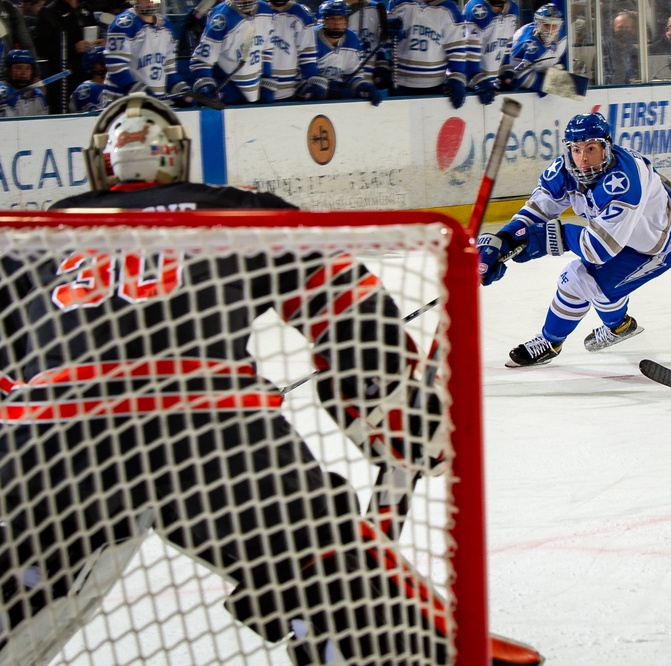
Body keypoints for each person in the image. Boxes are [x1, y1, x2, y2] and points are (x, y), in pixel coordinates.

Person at [0, 93, 448, 665]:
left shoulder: (33, 229)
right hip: (216, 429)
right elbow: (342, 297)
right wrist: (384, 391)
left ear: (100, 165)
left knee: (16, 582)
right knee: (332, 581)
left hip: (57, 436)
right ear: (177, 159)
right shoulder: (228, 207)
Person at [477, 112, 671, 367]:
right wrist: (502, 241)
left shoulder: (624, 180)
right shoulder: (564, 169)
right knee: (577, 280)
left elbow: (600, 249)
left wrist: (550, 236)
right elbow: (536, 211)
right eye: (576, 150)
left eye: (591, 148)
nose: (583, 158)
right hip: (615, 237)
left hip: (657, 245)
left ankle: (589, 332)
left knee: (584, 281)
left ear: (606, 146)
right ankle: (604, 330)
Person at [189, 0, 275, 104]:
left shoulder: (266, 10)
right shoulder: (221, 17)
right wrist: (206, 85)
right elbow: (201, 60)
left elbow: (267, 48)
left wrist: (267, 77)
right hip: (228, 86)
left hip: (256, 89)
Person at [104, 0, 192, 100]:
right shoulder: (124, 23)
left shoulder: (166, 25)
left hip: (155, 101)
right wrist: (132, 87)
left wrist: (177, 87)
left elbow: (168, 66)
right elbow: (115, 65)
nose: (150, 1)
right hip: (121, 100)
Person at [386, 0, 467, 108]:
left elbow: (457, 48)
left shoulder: (449, 9)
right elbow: (383, 40)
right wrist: (387, 33)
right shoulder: (397, 3)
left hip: (434, 86)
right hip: (399, 83)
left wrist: (457, 77)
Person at [34, 0, 104, 114]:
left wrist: (100, 42)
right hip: (63, 79)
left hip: (87, 75)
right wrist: (72, 48)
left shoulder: (85, 8)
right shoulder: (49, 12)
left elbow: (94, 33)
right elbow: (43, 48)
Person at [314, 0, 382, 104]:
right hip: (311, 97)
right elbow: (304, 74)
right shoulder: (312, 38)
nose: (337, 23)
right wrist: (322, 86)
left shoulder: (352, 39)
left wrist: (363, 86)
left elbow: (352, 74)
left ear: (346, 21)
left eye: (341, 19)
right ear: (323, 21)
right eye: (332, 19)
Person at [267, 0, 326, 100]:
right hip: (255, 89)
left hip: (287, 91)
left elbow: (307, 54)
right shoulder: (258, 11)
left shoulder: (302, 14)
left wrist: (311, 79)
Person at [463, 0, 519, 105]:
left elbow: (507, 42)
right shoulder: (477, 8)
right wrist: (477, 80)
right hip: (469, 85)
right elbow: (469, 52)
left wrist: (506, 71)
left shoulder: (512, 8)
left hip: (491, 83)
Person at [507, 2, 565, 95]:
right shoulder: (531, 43)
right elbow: (519, 76)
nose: (550, 30)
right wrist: (543, 84)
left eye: (554, 25)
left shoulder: (561, 36)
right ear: (538, 23)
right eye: (546, 25)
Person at [0, 48, 46, 116]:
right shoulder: (1, 92)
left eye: (27, 68)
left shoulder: (37, 96)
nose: (24, 73)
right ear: (8, 70)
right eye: (18, 68)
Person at [68, 44, 113, 111]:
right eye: (102, 62)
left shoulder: (115, 84)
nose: (106, 64)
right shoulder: (87, 88)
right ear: (92, 65)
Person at [602, 10, 640, 84]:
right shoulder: (604, 49)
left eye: (627, 27)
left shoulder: (634, 51)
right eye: (620, 27)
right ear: (613, 29)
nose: (624, 30)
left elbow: (638, 75)